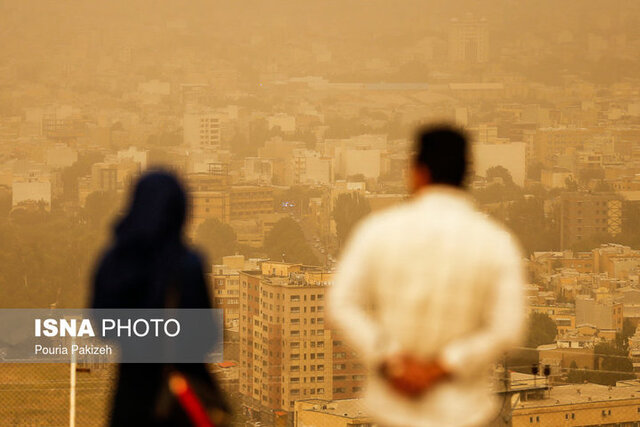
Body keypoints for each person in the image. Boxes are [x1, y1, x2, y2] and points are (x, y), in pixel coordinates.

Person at [329, 125, 525, 427]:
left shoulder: (378, 231)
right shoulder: (496, 242)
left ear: (417, 171)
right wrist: (444, 365)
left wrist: (392, 360)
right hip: (464, 412)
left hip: (394, 409)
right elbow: (507, 328)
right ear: (465, 175)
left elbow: (341, 304)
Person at [92, 171, 229, 426]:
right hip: (181, 398)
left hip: (131, 394)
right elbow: (206, 335)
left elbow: (102, 326)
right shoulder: (186, 264)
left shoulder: (114, 262)